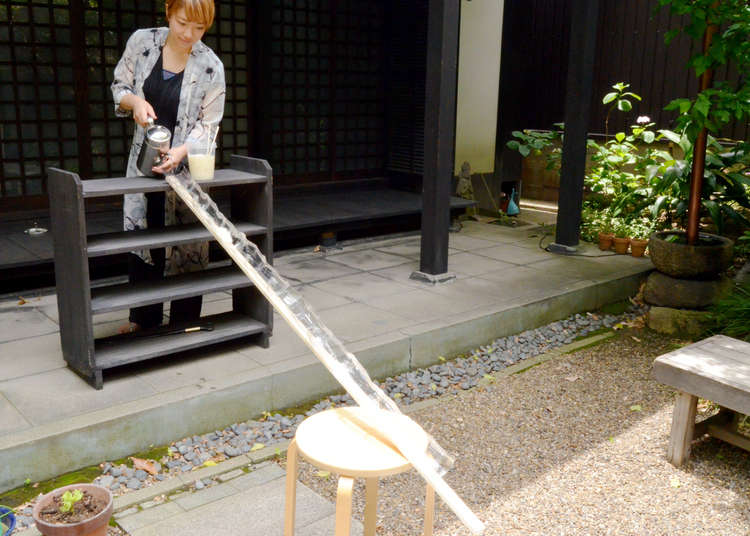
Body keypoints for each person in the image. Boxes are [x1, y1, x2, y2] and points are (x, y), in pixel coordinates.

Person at [111, 0, 225, 333]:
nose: (190, 34)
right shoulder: (142, 43)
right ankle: (143, 324)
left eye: (199, 28)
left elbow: (209, 124)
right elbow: (120, 88)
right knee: (145, 238)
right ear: (168, 12)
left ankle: (185, 324)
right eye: (182, 23)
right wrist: (135, 102)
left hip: (187, 170)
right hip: (144, 165)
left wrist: (182, 150)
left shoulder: (211, 65)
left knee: (188, 245)